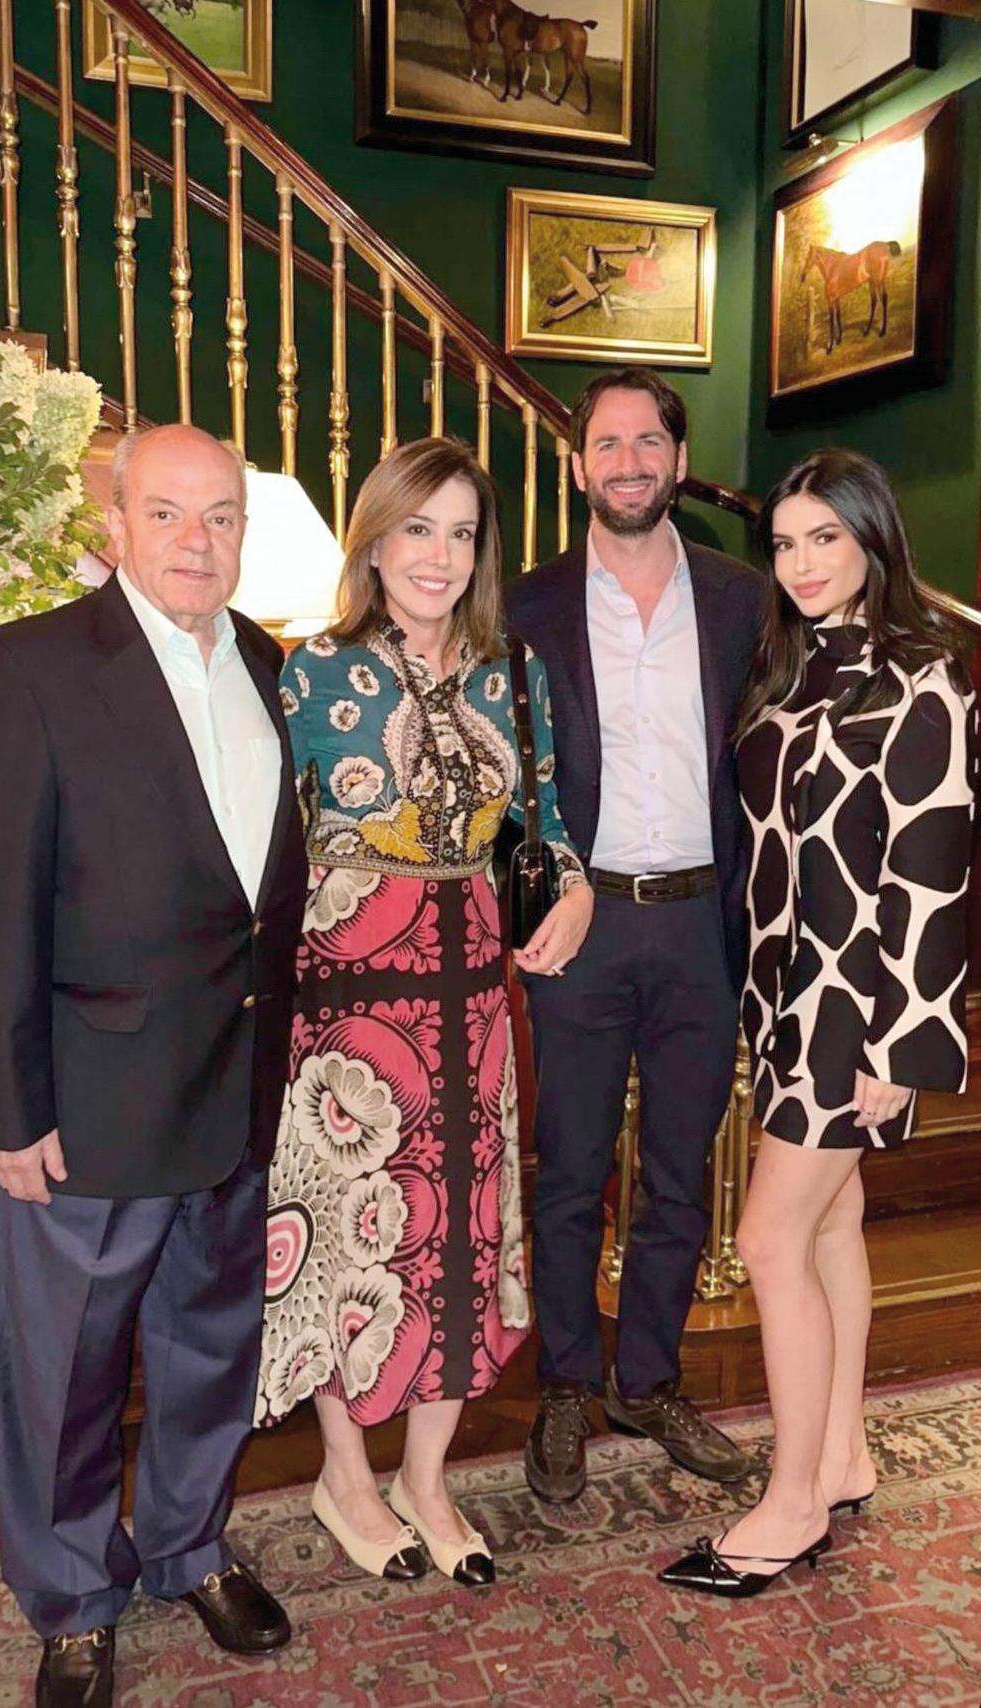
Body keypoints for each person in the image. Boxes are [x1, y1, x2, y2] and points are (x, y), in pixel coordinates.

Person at [0, 425, 308, 1708]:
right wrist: (6, 1103)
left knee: (212, 1347)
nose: (197, 542)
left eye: (220, 518)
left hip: (230, 1085)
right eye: (168, 514)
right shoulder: (22, 668)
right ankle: (73, 1599)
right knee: (64, 1374)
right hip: (87, 1104)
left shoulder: (265, 662)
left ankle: (190, 1548)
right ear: (113, 524)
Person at [254, 436, 593, 1584]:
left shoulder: (515, 672)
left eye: (461, 532)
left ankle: (427, 1479)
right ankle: (346, 1474)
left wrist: (576, 881)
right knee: (357, 1245)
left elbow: (539, 823)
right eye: (417, 528)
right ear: (376, 538)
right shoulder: (305, 675)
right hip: (349, 1009)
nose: (438, 556)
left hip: (476, 1007)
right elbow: (259, 853)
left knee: (461, 1241)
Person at [661, 448, 977, 1597]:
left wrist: (902, 1047)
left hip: (857, 1006)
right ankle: (839, 1451)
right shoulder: (786, 674)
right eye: (785, 543)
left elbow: (933, 868)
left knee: (769, 1240)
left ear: (873, 540)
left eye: (823, 540)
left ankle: (792, 1502)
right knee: (834, 1226)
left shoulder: (926, 677)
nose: (798, 563)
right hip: (782, 994)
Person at [506, 369, 760, 1502]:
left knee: (678, 1173)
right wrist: (537, 902)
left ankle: (646, 1379)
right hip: (584, 922)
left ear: (675, 455)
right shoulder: (525, 606)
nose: (627, 462)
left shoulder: (746, 597)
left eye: (647, 441)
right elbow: (503, 784)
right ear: (578, 464)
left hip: (706, 921)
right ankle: (566, 1380)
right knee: (567, 1169)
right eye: (606, 443)